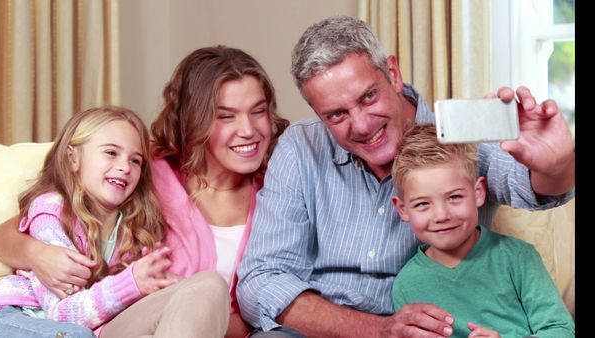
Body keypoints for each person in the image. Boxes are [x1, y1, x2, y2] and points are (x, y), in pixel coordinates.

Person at [236, 15, 575, 338]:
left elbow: (534, 187)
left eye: (368, 97)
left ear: (393, 74)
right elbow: (261, 280)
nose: (363, 125)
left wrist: (556, 163)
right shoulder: (300, 147)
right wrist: (376, 331)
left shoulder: (458, 135)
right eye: (336, 114)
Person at [0, 46, 289, 338]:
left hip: (184, 324)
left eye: (258, 111)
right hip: (113, 319)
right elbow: (9, 234)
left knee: (207, 288)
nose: (248, 130)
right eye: (226, 116)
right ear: (194, 120)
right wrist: (37, 254)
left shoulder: (281, 192)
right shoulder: (144, 177)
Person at [0, 105, 231, 337]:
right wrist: (131, 283)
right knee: (76, 336)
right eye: (111, 153)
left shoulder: (136, 228)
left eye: (135, 160)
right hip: (11, 318)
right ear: (72, 158)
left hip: (92, 328)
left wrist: (163, 286)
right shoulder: (51, 211)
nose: (125, 167)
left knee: (208, 285)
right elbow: (62, 314)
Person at [389, 123, 574, 338]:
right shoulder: (406, 284)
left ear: (478, 192)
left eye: (454, 197)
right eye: (422, 204)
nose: (441, 216)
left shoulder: (518, 257)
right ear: (403, 209)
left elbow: (561, 330)